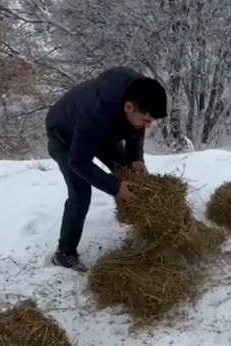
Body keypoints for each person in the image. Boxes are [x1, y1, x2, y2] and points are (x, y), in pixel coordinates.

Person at [45, 66, 168, 272]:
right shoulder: (95, 112)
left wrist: (136, 157)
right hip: (65, 137)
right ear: (128, 107)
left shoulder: (138, 89)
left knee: (127, 170)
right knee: (81, 193)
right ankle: (64, 252)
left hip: (104, 129)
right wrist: (115, 187)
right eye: (146, 121)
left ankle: (143, 227)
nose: (147, 126)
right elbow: (78, 161)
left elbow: (137, 127)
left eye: (151, 122)